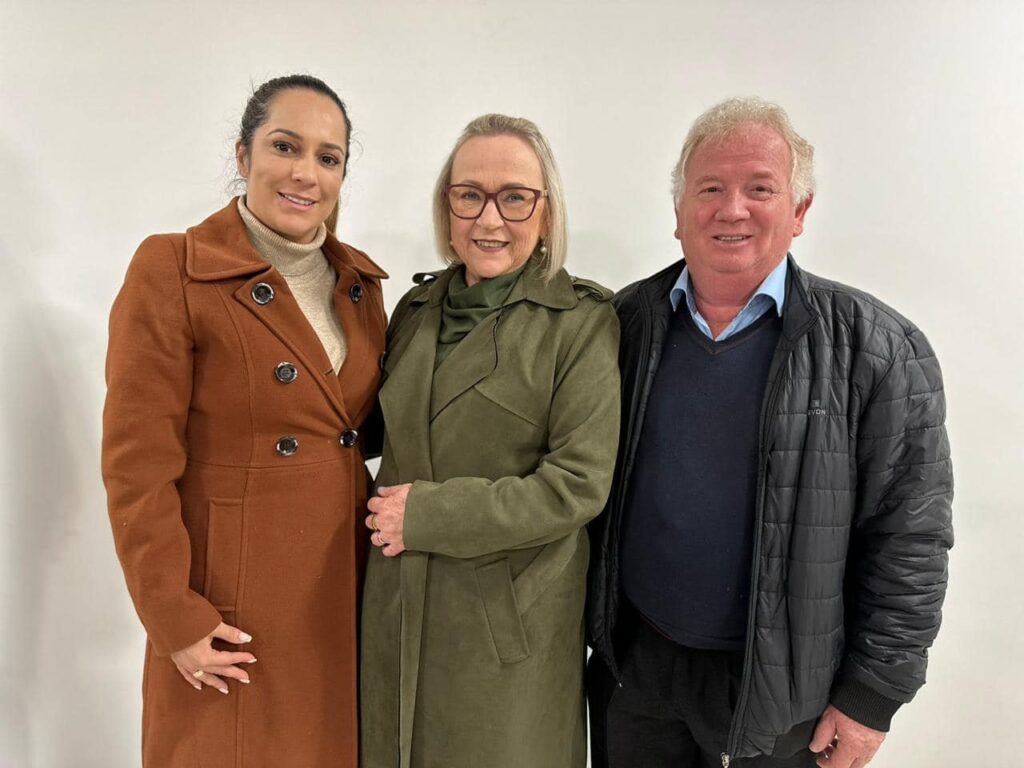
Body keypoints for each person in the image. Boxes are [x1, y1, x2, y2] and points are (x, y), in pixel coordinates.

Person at [587, 97, 953, 768]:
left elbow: (911, 537)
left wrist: (872, 695)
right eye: (709, 189)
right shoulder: (621, 326)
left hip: (785, 702)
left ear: (799, 211)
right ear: (678, 213)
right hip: (636, 675)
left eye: (760, 188)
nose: (732, 210)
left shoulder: (878, 351)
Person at [102, 74, 387, 767]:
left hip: (340, 589)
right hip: (230, 608)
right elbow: (137, 466)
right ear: (242, 153)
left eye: (328, 157)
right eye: (285, 146)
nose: (305, 173)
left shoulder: (360, 285)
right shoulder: (174, 268)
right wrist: (174, 616)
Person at [359, 114, 620, 768]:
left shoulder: (581, 322)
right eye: (469, 195)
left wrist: (429, 515)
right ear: (446, 208)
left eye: (515, 197)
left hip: (505, 628)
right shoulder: (414, 311)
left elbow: (576, 486)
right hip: (395, 604)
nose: (489, 218)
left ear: (546, 213)